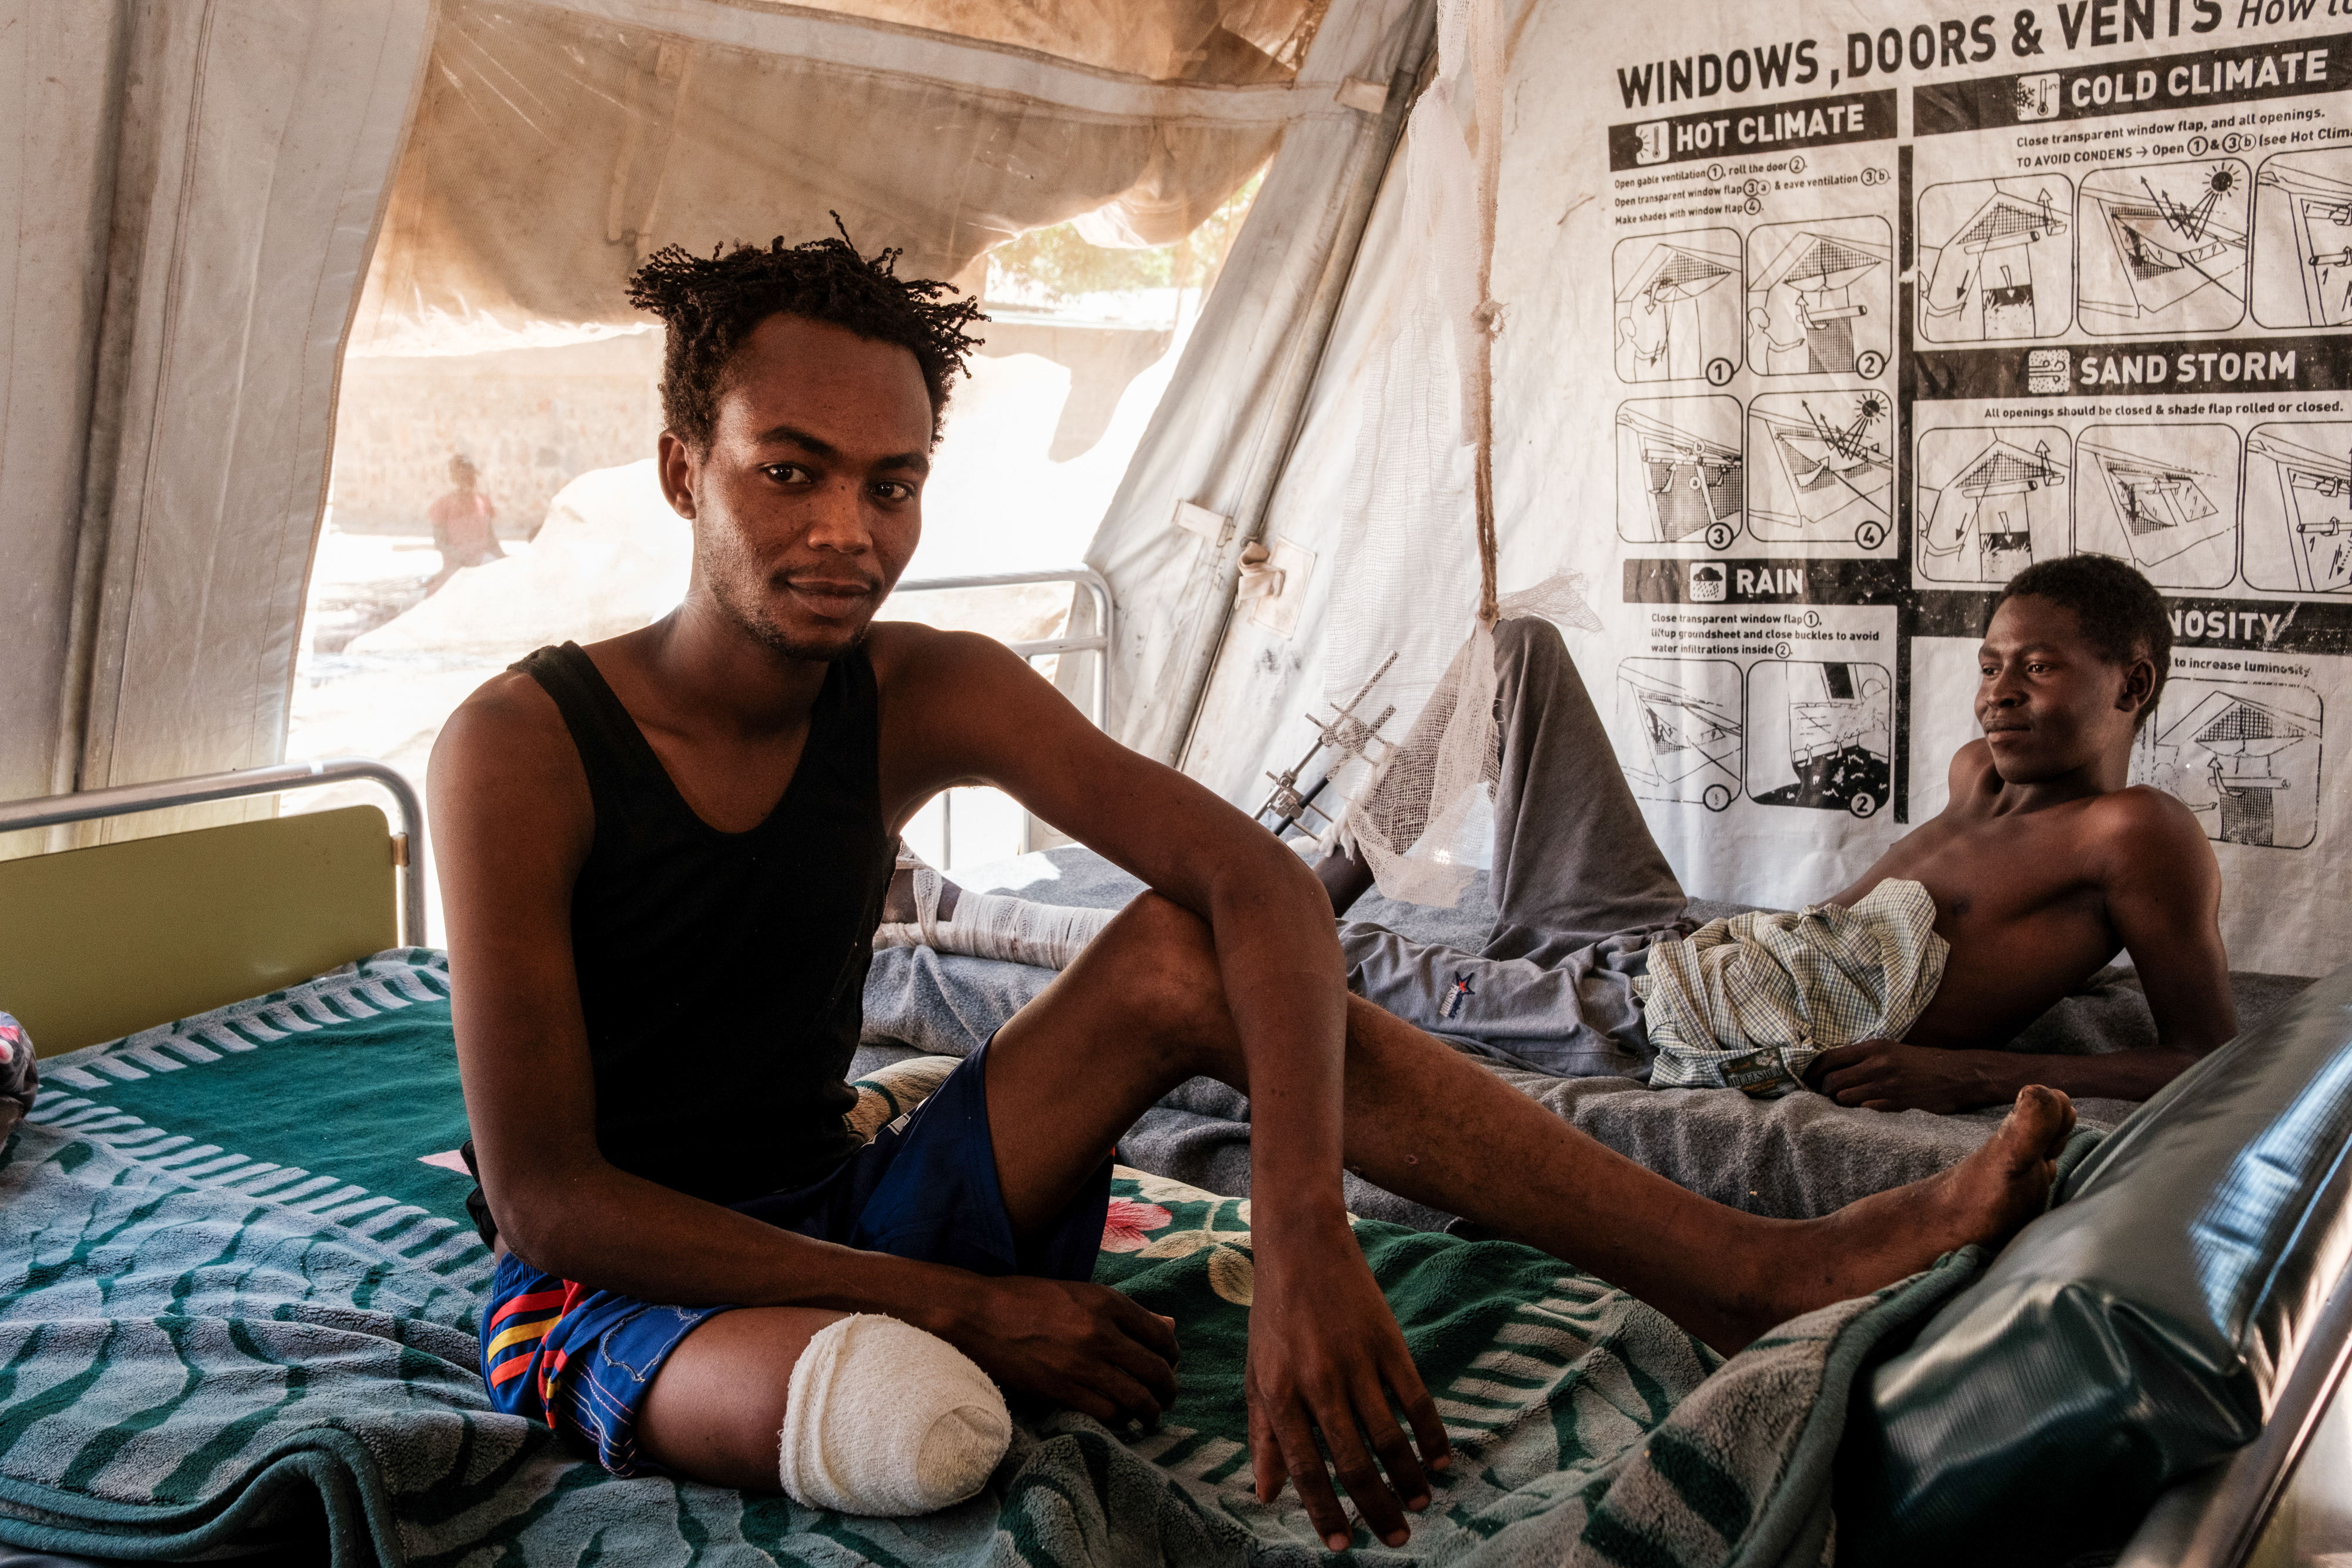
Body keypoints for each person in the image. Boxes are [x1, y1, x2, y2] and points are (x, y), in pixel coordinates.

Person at [430, 230, 2076, 1549]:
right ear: (680, 470)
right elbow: (553, 1200)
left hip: (850, 1199)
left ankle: (1744, 1265)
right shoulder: (522, 749)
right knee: (919, 1426)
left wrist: (1303, 1232)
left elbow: (1256, 887)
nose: (849, 532)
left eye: (893, 480)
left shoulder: (928, 689)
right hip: (628, 1280)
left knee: (1170, 952)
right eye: (789, 472)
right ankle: (903, 1331)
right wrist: (972, 1304)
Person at [906, 556, 2234, 1115]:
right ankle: (1324, 875)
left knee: (1298, 966)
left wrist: (1972, 1079)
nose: (1998, 688)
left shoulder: (2136, 833)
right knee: (1519, 650)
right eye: (1993, 660)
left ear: (2131, 681)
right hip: (1684, 947)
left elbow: (2201, 1060)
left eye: (2041, 668)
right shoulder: (1971, 772)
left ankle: (957, 921)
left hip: (1676, 1018)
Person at [423, 454, 503, 593]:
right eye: (461, 478)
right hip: (456, 565)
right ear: (454, 479)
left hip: (484, 561)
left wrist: (505, 560)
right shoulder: (443, 505)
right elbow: (441, 542)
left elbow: (491, 540)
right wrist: (465, 560)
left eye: (469, 478)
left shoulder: (483, 502)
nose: (466, 482)